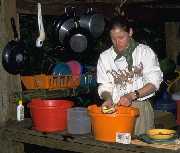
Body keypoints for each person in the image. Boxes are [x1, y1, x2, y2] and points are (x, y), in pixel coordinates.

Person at [96, 16, 163, 136]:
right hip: (116, 111)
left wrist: (132, 96)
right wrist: (108, 98)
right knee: (117, 147)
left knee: (141, 146)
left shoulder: (144, 52)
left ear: (130, 32)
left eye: (121, 37)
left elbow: (154, 83)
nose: (117, 43)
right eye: (113, 39)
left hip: (140, 110)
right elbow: (105, 86)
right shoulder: (105, 57)